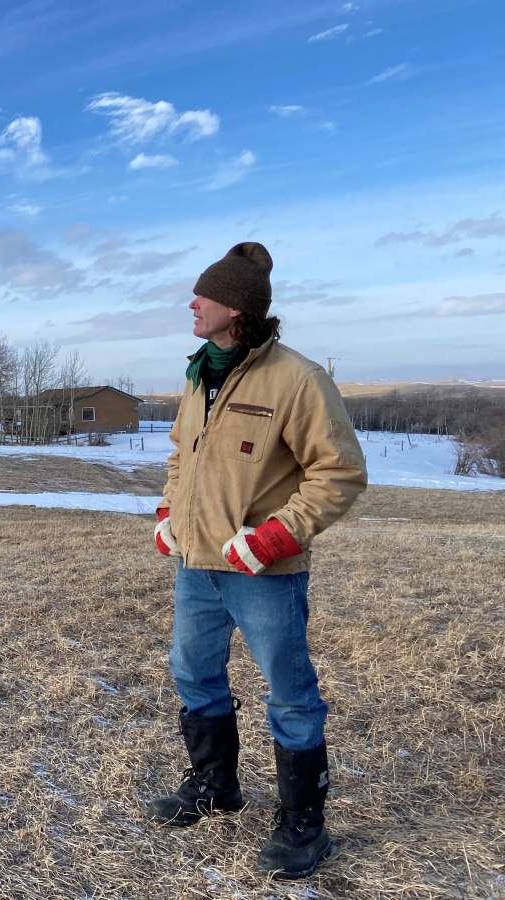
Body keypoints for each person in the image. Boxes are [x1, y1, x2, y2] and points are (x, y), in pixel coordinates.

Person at [148, 242, 367, 880]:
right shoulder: (199, 373)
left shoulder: (298, 379)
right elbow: (182, 456)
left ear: (237, 309)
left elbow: (339, 472)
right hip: (197, 564)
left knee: (290, 695)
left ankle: (304, 824)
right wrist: (169, 513)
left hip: (263, 573)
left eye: (204, 296)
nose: (193, 304)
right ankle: (216, 786)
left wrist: (278, 535)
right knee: (193, 671)